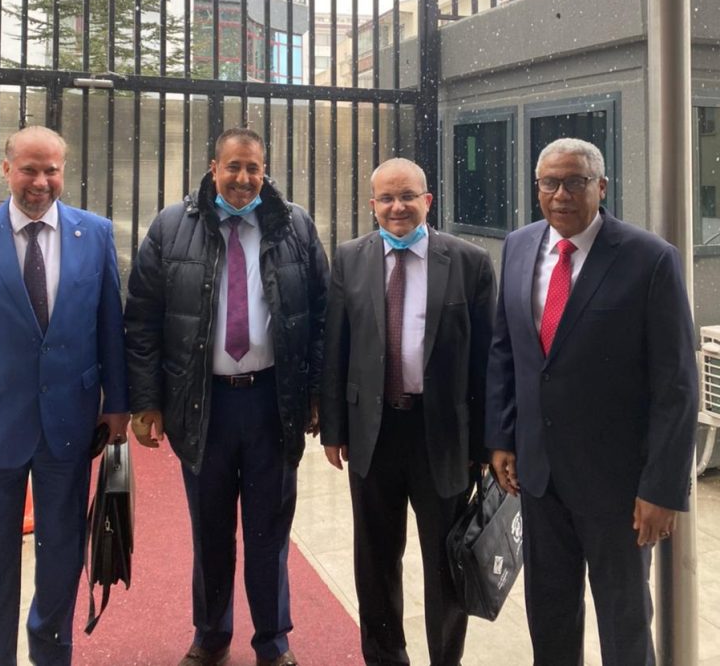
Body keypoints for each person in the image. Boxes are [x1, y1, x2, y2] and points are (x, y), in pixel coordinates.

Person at [486, 137, 698, 666]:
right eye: (550, 183)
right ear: (537, 188)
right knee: (550, 617)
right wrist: (502, 436)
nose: (561, 194)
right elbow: (506, 351)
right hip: (539, 479)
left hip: (619, 489)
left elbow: (676, 384)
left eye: (575, 182)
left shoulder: (649, 259)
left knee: (625, 626)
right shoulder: (519, 246)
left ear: (601, 187)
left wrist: (662, 488)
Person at [124, 126, 329, 666]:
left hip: (271, 404)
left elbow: (320, 315)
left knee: (269, 532)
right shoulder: (172, 227)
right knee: (210, 529)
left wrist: (315, 392)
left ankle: (273, 642)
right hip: (202, 404)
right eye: (233, 166)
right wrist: (146, 401)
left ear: (265, 171)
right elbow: (142, 320)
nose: (243, 178)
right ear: (213, 167)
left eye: (253, 168)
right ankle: (211, 635)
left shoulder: (294, 226)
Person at [0, 124, 129, 666]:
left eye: (51, 169)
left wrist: (117, 404)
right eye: (29, 169)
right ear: (5, 169)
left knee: (62, 560)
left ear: (63, 171)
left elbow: (110, 326)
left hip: (69, 426)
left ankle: (52, 656)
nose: (40, 181)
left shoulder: (94, 234)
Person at [319, 157, 496, 666]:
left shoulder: (468, 262)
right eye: (387, 198)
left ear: (427, 201)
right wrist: (333, 428)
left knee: (446, 561)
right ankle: (385, 656)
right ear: (372, 204)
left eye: (408, 196)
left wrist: (485, 444)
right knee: (374, 559)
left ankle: (445, 658)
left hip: (442, 436)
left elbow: (487, 361)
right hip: (372, 433)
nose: (397, 207)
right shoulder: (349, 258)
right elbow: (336, 349)